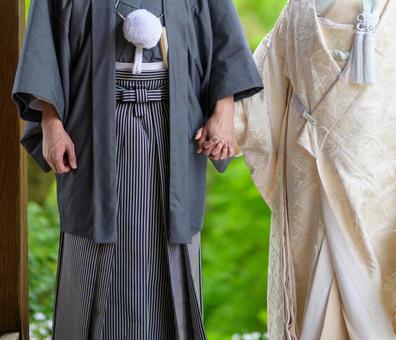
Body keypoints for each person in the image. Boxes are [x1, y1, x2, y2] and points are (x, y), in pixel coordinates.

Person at [197, 0, 396, 338]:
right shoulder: (298, 10)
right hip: (313, 180)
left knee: (380, 295)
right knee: (316, 289)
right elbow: (262, 81)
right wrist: (225, 123)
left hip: (382, 182)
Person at [13, 0, 262, 338]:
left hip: (174, 124)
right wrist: (51, 124)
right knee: (90, 244)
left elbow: (223, 33)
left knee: (173, 246)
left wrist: (224, 110)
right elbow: (44, 41)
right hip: (92, 129)